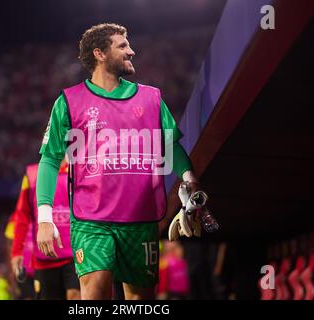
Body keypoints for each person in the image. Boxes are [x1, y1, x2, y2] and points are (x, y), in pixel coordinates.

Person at [36, 23, 207, 300]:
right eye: (123, 46)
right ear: (100, 54)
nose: (132, 51)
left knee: (140, 299)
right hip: (91, 220)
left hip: (140, 219)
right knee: (95, 290)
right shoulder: (69, 101)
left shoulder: (151, 98)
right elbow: (50, 159)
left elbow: (171, 147)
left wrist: (190, 181)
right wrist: (45, 218)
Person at [11, 162, 80, 300]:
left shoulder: (79, 170)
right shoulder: (31, 175)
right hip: (44, 255)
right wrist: (17, 251)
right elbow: (22, 215)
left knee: (75, 295)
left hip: (76, 253)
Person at [4, 211, 35, 299]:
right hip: (22, 270)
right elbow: (9, 247)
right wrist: (11, 272)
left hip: (41, 267)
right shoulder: (15, 218)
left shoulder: (43, 213)